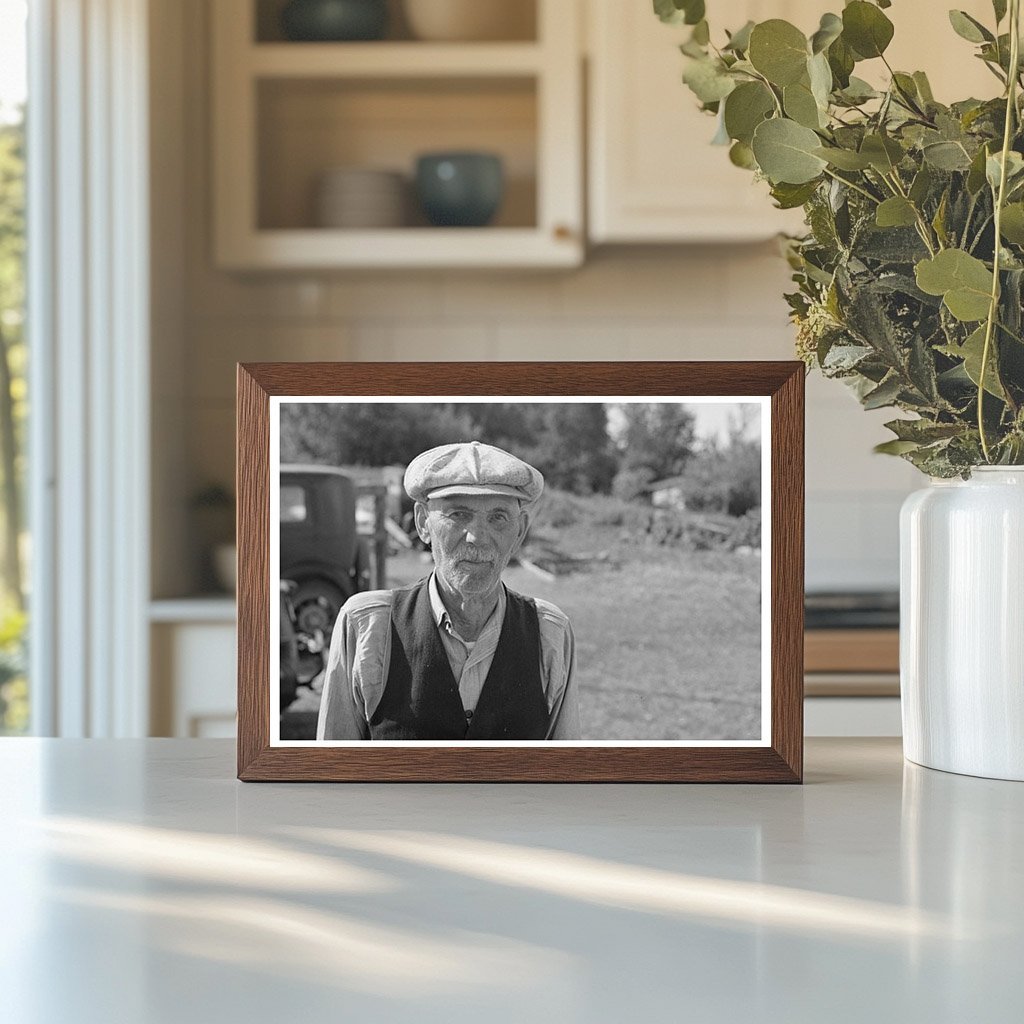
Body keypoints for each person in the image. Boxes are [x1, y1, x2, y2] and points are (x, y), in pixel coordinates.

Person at [316, 441, 579, 740]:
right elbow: (334, 774)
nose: (477, 538)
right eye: (458, 514)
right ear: (422, 523)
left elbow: (564, 778)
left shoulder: (550, 634)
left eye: (498, 517)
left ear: (520, 531)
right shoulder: (366, 627)